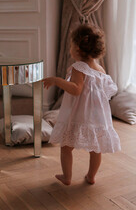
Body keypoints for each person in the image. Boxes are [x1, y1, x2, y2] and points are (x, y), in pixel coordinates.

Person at [42, 24, 121, 186]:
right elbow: (107, 92)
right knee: (96, 148)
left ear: (77, 48)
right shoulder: (100, 69)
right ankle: (91, 176)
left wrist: (57, 80)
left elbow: (76, 90)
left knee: (66, 146)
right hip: (97, 116)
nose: (70, 49)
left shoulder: (79, 68)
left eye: (71, 45)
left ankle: (67, 177)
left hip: (80, 114)